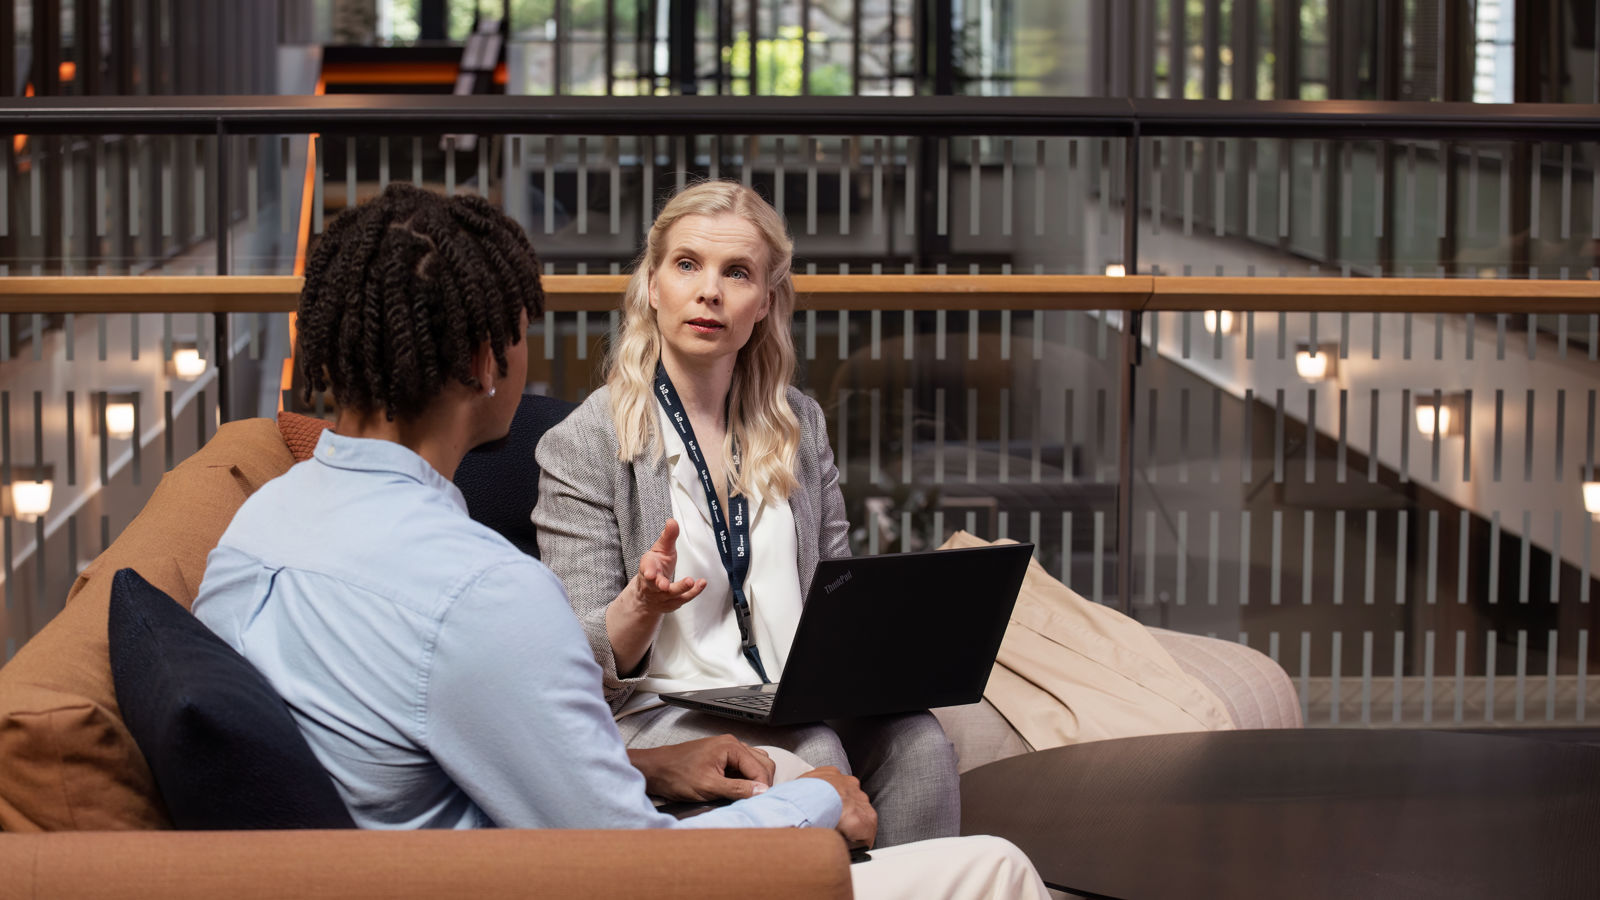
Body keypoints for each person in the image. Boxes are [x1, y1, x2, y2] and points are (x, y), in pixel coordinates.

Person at [191, 183, 1047, 899]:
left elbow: (531, 763)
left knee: (908, 750)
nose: (709, 291)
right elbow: (629, 853)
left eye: (736, 272)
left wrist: (666, 770)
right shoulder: (486, 591)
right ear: (492, 360)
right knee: (1001, 865)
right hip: (542, 869)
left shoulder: (254, 526)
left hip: (438, 853)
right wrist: (812, 803)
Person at [533, 180, 959, 848]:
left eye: (737, 273)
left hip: (794, 691)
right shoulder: (588, 441)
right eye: (686, 265)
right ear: (651, 284)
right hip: (667, 709)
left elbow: (836, 591)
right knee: (816, 748)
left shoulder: (799, 424)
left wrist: (890, 645)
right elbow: (573, 662)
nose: (710, 291)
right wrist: (641, 605)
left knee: (922, 745)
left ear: (764, 301)